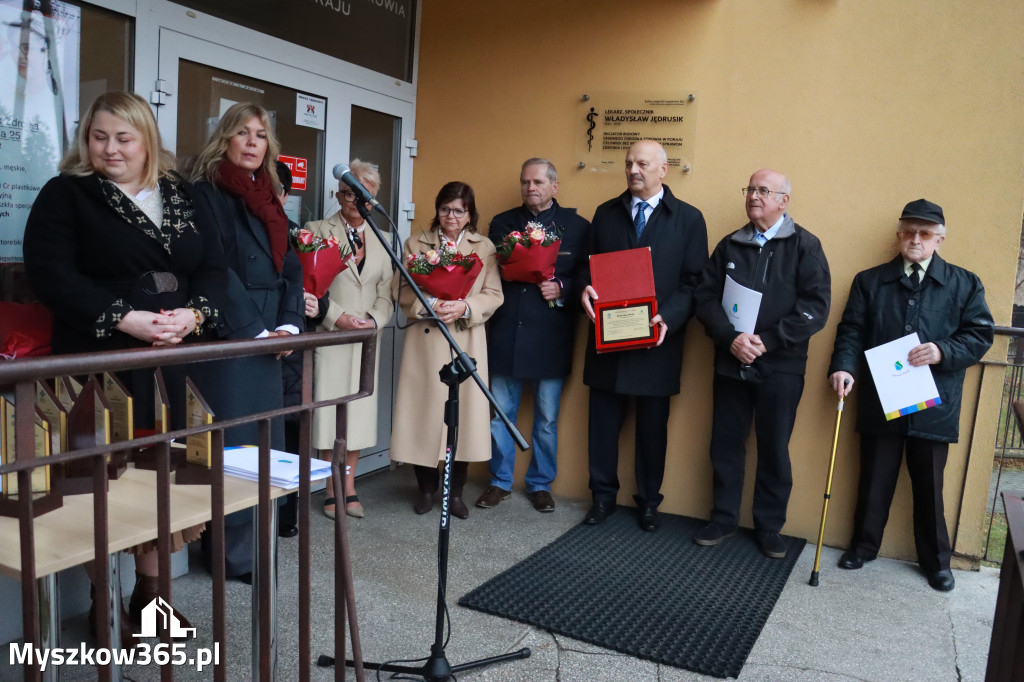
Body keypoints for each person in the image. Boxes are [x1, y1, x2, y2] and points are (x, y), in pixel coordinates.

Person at [23, 90, 224, 637]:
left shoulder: (184, 195)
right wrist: (122, 318)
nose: (110, 148)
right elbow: (51, 274)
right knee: (98, 482)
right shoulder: (67, 194)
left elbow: (212, 269)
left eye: (123, 137)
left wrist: (192, 317)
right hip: (96, 362)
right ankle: (102, 600)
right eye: (99, 136)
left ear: (147, 141)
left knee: (164, 479)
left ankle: (151, 599)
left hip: (169, 362)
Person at [828, 198, 993, 591]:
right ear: (899, 235)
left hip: (934, 403)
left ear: (939, 240)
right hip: (880, 399)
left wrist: (942, 351)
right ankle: (862, 548)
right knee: (874, 478)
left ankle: (937, 562)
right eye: (909, 232)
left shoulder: (964, 283)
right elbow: (851, 329)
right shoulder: (869, 281)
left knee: (928, 485)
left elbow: (980, 334)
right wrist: (843, 367)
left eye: (925, 234)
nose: (915, 239)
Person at [190, 102, 304, 582]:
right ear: (225, 140)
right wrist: (254, 332)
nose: (254, 142)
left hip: (270, 336)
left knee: (267, 446)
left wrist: (290, 326)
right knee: (235, 449)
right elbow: (213, 268)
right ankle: (231, 558)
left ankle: (258, 550)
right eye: (243, 133)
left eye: (261, 134)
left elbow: (291, 267)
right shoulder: (204, 193)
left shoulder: (269, 195)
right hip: (233, 336)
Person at [693, 169, 831, 558]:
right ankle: (722, 518)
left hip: (782, 367)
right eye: (750, 189)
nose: (754, 196)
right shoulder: (730, 245)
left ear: (784, 200)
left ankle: (770, 527)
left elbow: (815, 307)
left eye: (763, 190)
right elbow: (704, 298)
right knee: (725, 444)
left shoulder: (806, 246)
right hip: (730, 360)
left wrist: (767, 342)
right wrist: (731, 339)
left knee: (774, 447)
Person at [579, 139, 708, 532]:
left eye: (643, 164)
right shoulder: (605, 213)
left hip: (658, 343)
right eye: (629, 163)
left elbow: (694, 283)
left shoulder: (688, 219)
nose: (634, 170)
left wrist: (669, 316)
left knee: (652, 432)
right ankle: (602, 498)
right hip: (609, 342)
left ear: (663, 169)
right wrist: (584, 288)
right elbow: (587, 270)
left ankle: (649, 503)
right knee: (602, 427)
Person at [477, 158, 589, 513]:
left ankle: (540, 484)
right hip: (508, 330)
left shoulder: (576, 226)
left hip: (552, 334)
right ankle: (499, 482)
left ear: (555, 186)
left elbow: (588, 276)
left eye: (538, 182)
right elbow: (489, 273)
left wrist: (563, 287)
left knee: (546, 419)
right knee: (500, 415)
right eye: (525, 182)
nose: (531, 188)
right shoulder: (502, 223)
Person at [390, 182, 503, 518]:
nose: (451, 216)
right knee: (421, 415)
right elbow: (401, 290)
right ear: (437, 210)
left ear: (470, 214)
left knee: (463, 419)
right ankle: (426, 489)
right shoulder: (416, 243)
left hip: (465, 339)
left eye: (458, 210)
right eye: (445, 209)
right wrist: (434, 303)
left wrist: (464, 307)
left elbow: (494, 294)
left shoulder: (484, 247)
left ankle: (454, 495)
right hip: (425, 341)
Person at [304, 159, 394, 520]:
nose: (352, 199)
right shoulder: (316, 229)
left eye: (360, 193)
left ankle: (350, 485)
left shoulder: (384, 238)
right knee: (329, 416)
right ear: (338, 195)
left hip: (366, 338)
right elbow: (308, 285)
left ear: (373, 197)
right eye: (345, 192)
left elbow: (387, 291)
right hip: (330, 336)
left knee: (357, 415)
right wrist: (336, 317)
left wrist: (373, 321)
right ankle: (330, 488)